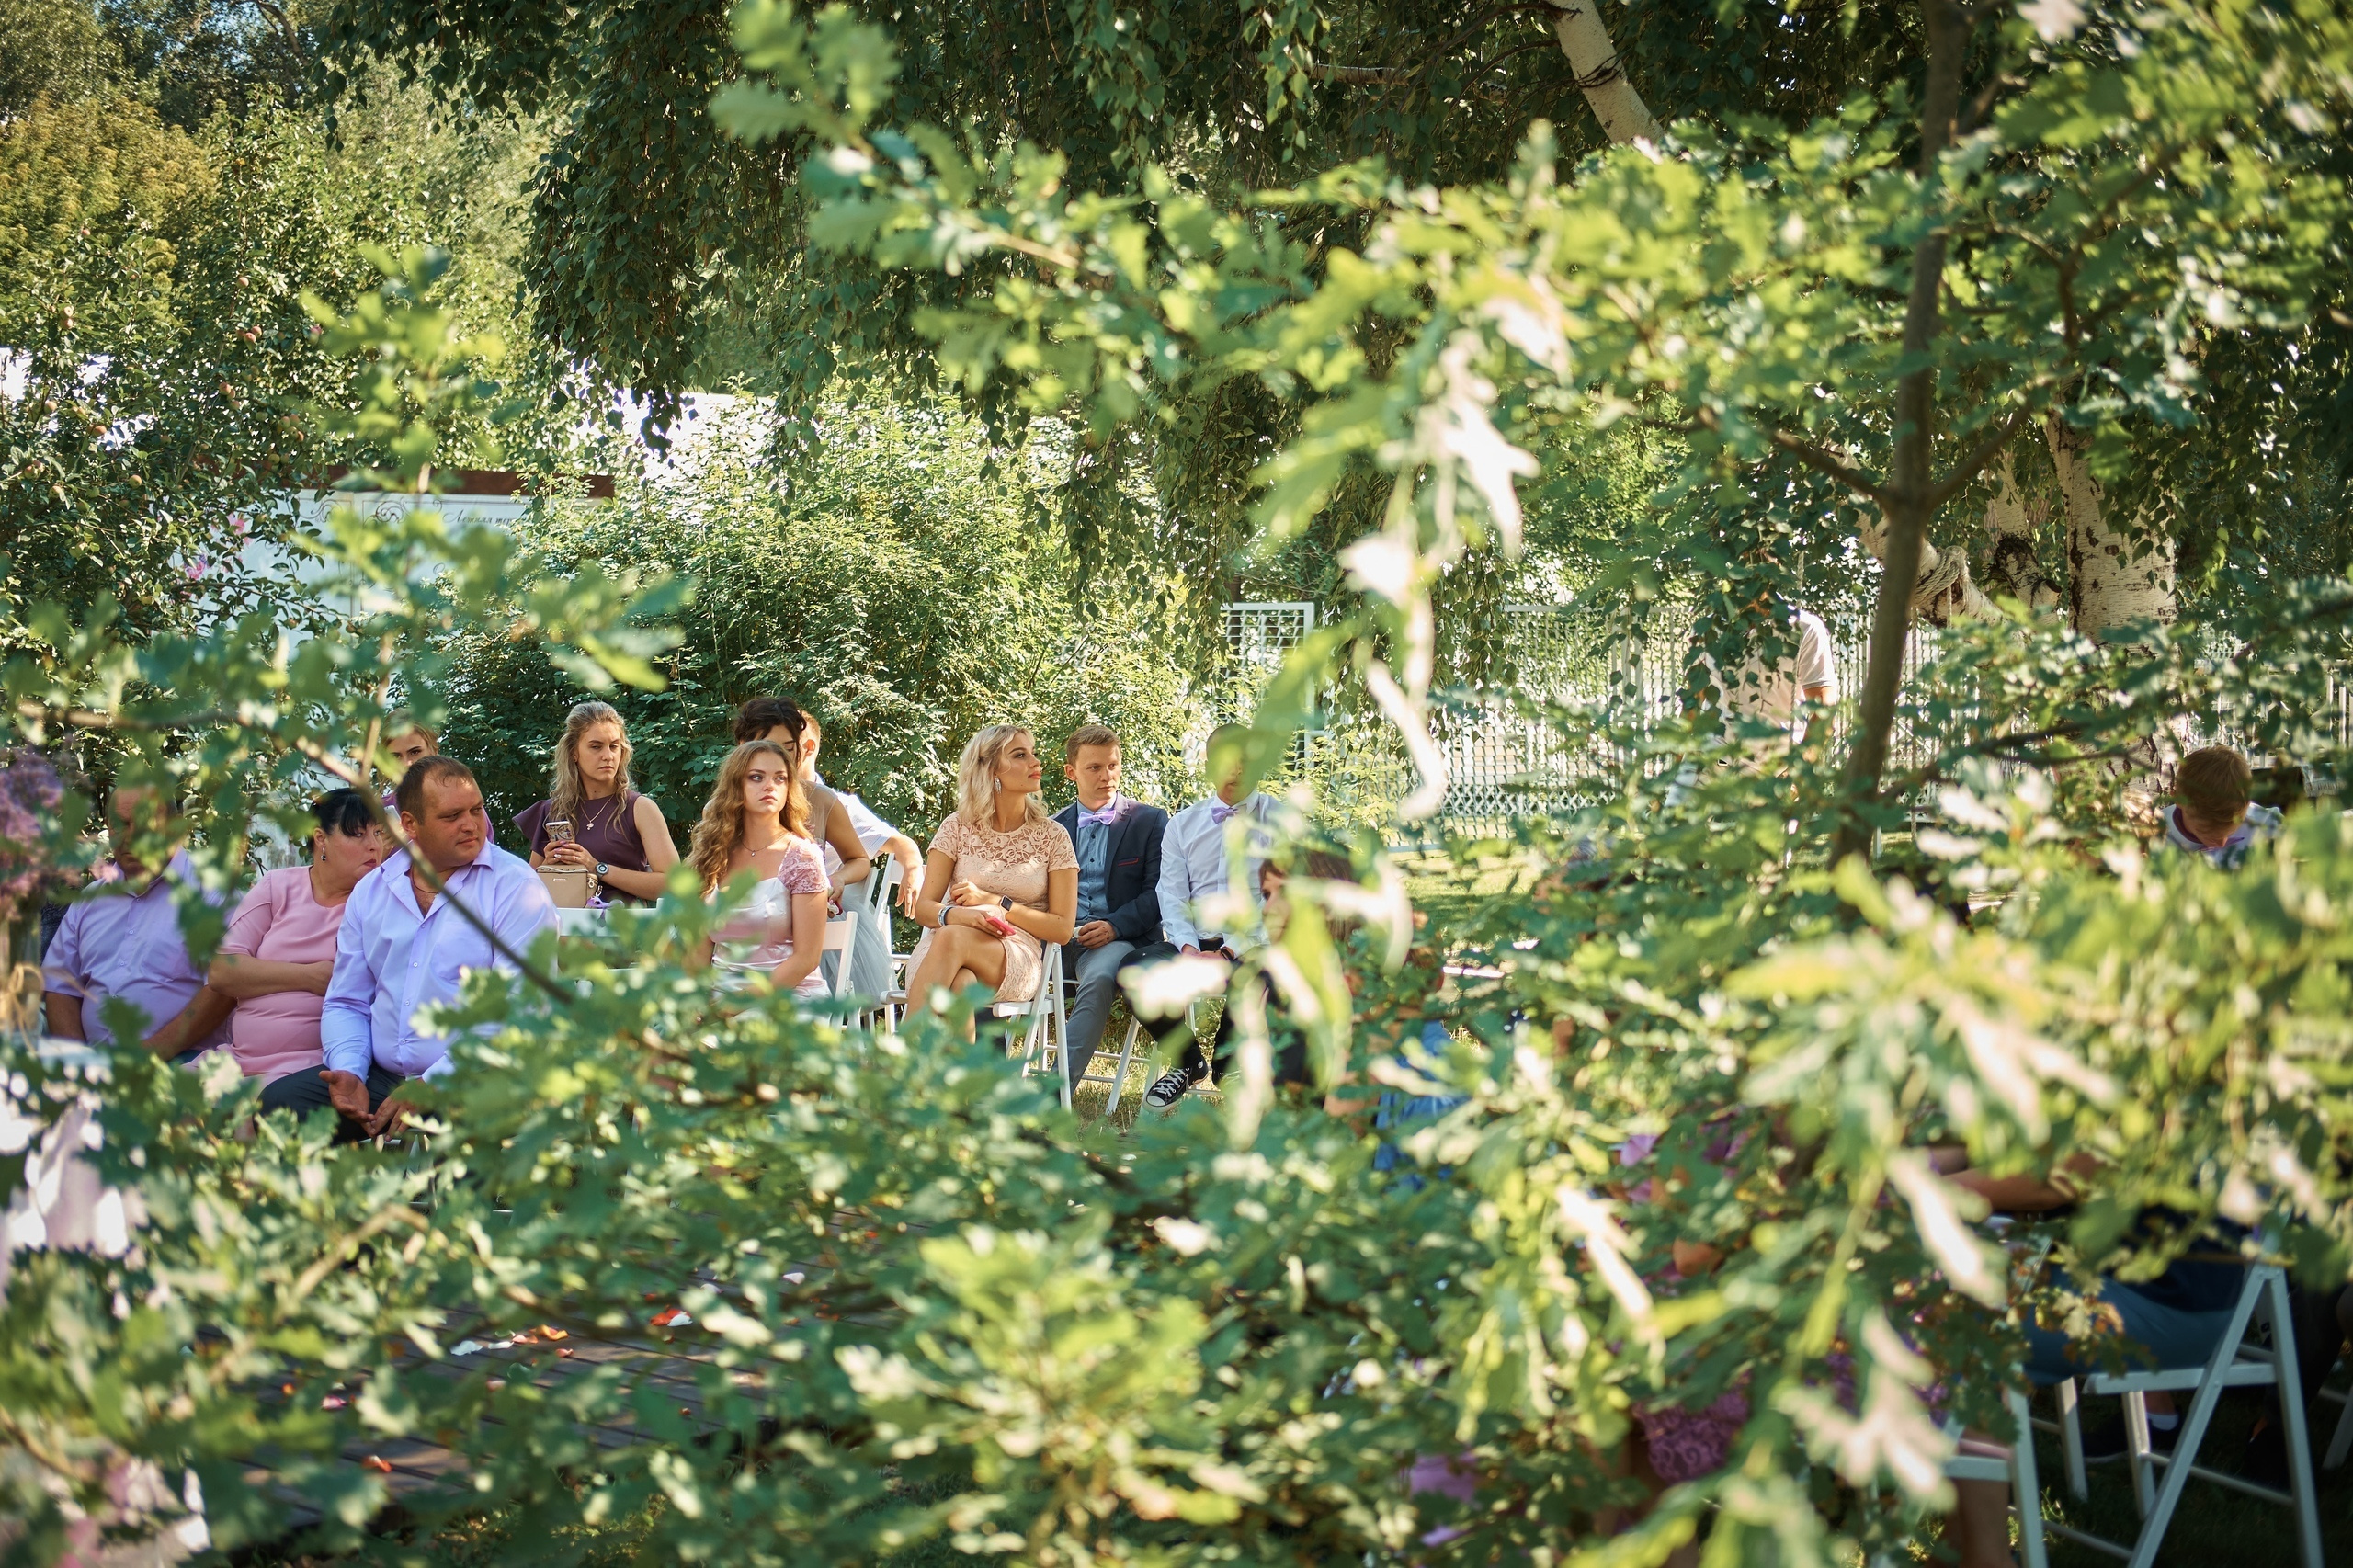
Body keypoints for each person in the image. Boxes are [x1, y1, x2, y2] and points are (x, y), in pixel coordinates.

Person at [290, 756, 558, 1140]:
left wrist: (435, 1083)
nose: (471, 824)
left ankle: (457, 1198)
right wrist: (349, 1070)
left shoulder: (516, 887)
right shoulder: (372, 890)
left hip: (481, 1077)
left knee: (464, 1142)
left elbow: (519, 1010)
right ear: (410, 824)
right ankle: (335, 1199)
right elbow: (346, 1000)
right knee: (280, 1105)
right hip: (384, 1079)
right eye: (452, 816)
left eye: (476, 810)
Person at [40, 783, 233, 1059]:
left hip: (180, 1063)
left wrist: (145, 1057)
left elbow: (222, 992)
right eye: (121, 824)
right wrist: (81, 1062)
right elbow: (60, 986)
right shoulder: (90, 900)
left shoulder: (214, 898)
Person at [207, 790, 384, 1088]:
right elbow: (222, 971)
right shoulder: (278, 887)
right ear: (321, 838)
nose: (374, 846)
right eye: (358, 834)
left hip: (315, 1067)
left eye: (378, 834)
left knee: (244, 1120)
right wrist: (308, 976)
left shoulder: (378, 905)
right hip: (238, 1060)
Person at [1141, 723, 1278, 1108]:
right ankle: (1187, 1061)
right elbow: (1170, 894)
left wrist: (1227, 952)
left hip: (1251, 945)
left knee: (1260, 973)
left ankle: (1228, 1065)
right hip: (1192, 942)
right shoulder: (1182, 824)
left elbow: (1280, 902)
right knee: (1133, 967)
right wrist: (1186, 947)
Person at [904, 725, 1077, 1013]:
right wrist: (956, 915)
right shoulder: (956, 826)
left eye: (1032, 754)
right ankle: (960, 1060)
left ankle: (900, 1051)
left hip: (1016, 952)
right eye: (1020, 755)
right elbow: (924, 909)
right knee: (961, 984)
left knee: (950, 938)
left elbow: (1062, 929)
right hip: (946, 945)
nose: (1035, 762)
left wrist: (997, 903)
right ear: (992, 770)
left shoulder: (1053, 836)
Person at [1050, 724, 1166, 1089]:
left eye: (1113, 766)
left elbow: (1160, 893)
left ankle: (1053, 1094)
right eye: (1095, 768)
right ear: (1072, 772)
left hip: (1115, 939)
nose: (1107, 776)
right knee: (999, 966)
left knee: (1099, 977)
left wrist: (1114, 926)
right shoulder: (1051, 827)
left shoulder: (1149, 821)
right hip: (1054, 937)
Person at [784, 709, 923, 1000]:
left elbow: (899, 842)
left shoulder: (839, 805)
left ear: (808, 748)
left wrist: (912, 869)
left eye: (784, 747)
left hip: (825, 911)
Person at [689, 740, 832, 998]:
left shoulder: (802, 857)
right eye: (756, 777)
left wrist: (732, 1006)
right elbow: (699, 951)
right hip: (717, 995)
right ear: (736, 786)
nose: (770, 786)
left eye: (780, 779)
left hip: (787, 997)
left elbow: (806, 959)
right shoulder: (713, 854)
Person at [513, 700, 683, 903]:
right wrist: (548, 867)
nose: (608, 756)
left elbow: (674, 885)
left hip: (622, 930)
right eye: (596, 747)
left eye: (614, 746)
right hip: (565, 930)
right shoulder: (552, 811)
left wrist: (598, 867)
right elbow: (529, 895)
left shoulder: (639, 808)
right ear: (573, 752)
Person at [730, 698, 874, 903]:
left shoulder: (822, 800)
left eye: (788, 747)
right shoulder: (724, 807)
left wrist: (838, 878)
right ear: (743, 747)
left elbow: (858, 859)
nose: (780, 756)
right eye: (768, 747)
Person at [2164, 744, 2283, 869]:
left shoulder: (2258, 822)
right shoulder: (2158, 836)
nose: (2222, 844)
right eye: (2206, 833)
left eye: (2232, 831)